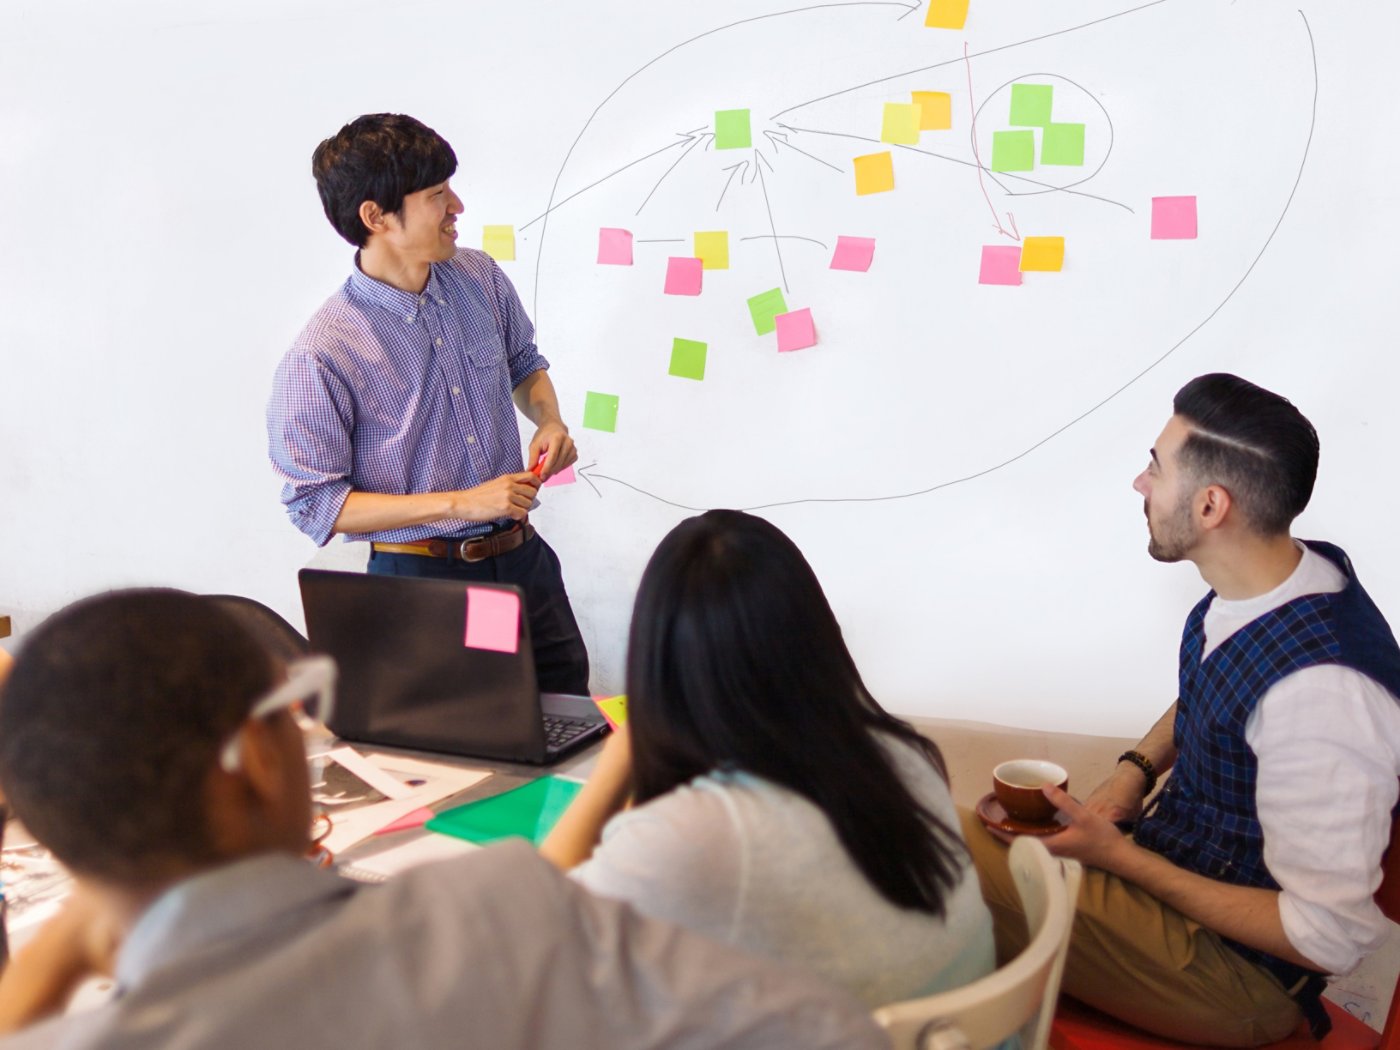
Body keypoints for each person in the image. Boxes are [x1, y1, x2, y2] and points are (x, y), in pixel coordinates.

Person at [0, 590, 889, 1049]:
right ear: (261, 760)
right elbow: (829, 1033)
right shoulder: (507, 911)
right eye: (296, 709)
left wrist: (65, 945)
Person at [963, 373, 1400, 1046]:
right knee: (947, 856)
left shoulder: (1321, 697)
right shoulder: (1276, 579)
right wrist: (1132, 772)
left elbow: (1327, 938)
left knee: (936, 847)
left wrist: (1121, 860)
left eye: (1155, 467)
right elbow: (1221, 681)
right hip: (1177, 877)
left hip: (1240, 982)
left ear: (1209, 507)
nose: (1140, 484)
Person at [540, 510, 995, 1009]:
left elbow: (537, 931)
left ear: (661, 662)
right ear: (815, 635)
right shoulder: (901, 752)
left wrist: (622, 755)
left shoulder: (700, 834)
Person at [267, 112, 588, 695]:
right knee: (474, 752)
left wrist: (550, 419)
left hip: (523, 564)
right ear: (376, 217)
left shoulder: (479, 277)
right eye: (437, 194)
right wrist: (461, 503)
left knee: (570, 721)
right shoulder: (322, 353)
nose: (457, 206)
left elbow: (525, 363)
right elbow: (317, 504)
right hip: (424, 581)